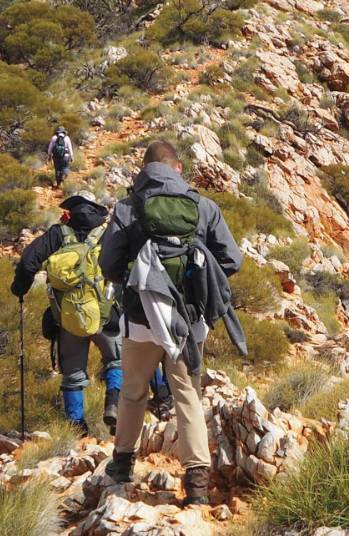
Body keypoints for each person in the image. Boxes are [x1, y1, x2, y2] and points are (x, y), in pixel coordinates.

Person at [99, 140, 243, 507]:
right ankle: (196, 484)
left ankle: (121, 466)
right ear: (178, 168)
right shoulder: (203, 206)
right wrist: (198, 280)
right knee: (187, 396)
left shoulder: (129, 208)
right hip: (188, 323)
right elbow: (232, 259)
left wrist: (140, 280)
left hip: (141, 318)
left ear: (143, 171)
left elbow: (108, 264)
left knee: (133, 392)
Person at [11, 191, 120, 435]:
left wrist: (19, 290)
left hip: (67, 316)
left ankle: (76, 428)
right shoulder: (107, 232)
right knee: (117, 359)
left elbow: (28, 263)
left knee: (72, 372)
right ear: (95, 209)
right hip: (105, 313)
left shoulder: (57, 234)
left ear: (70, 210)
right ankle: (114, 404)